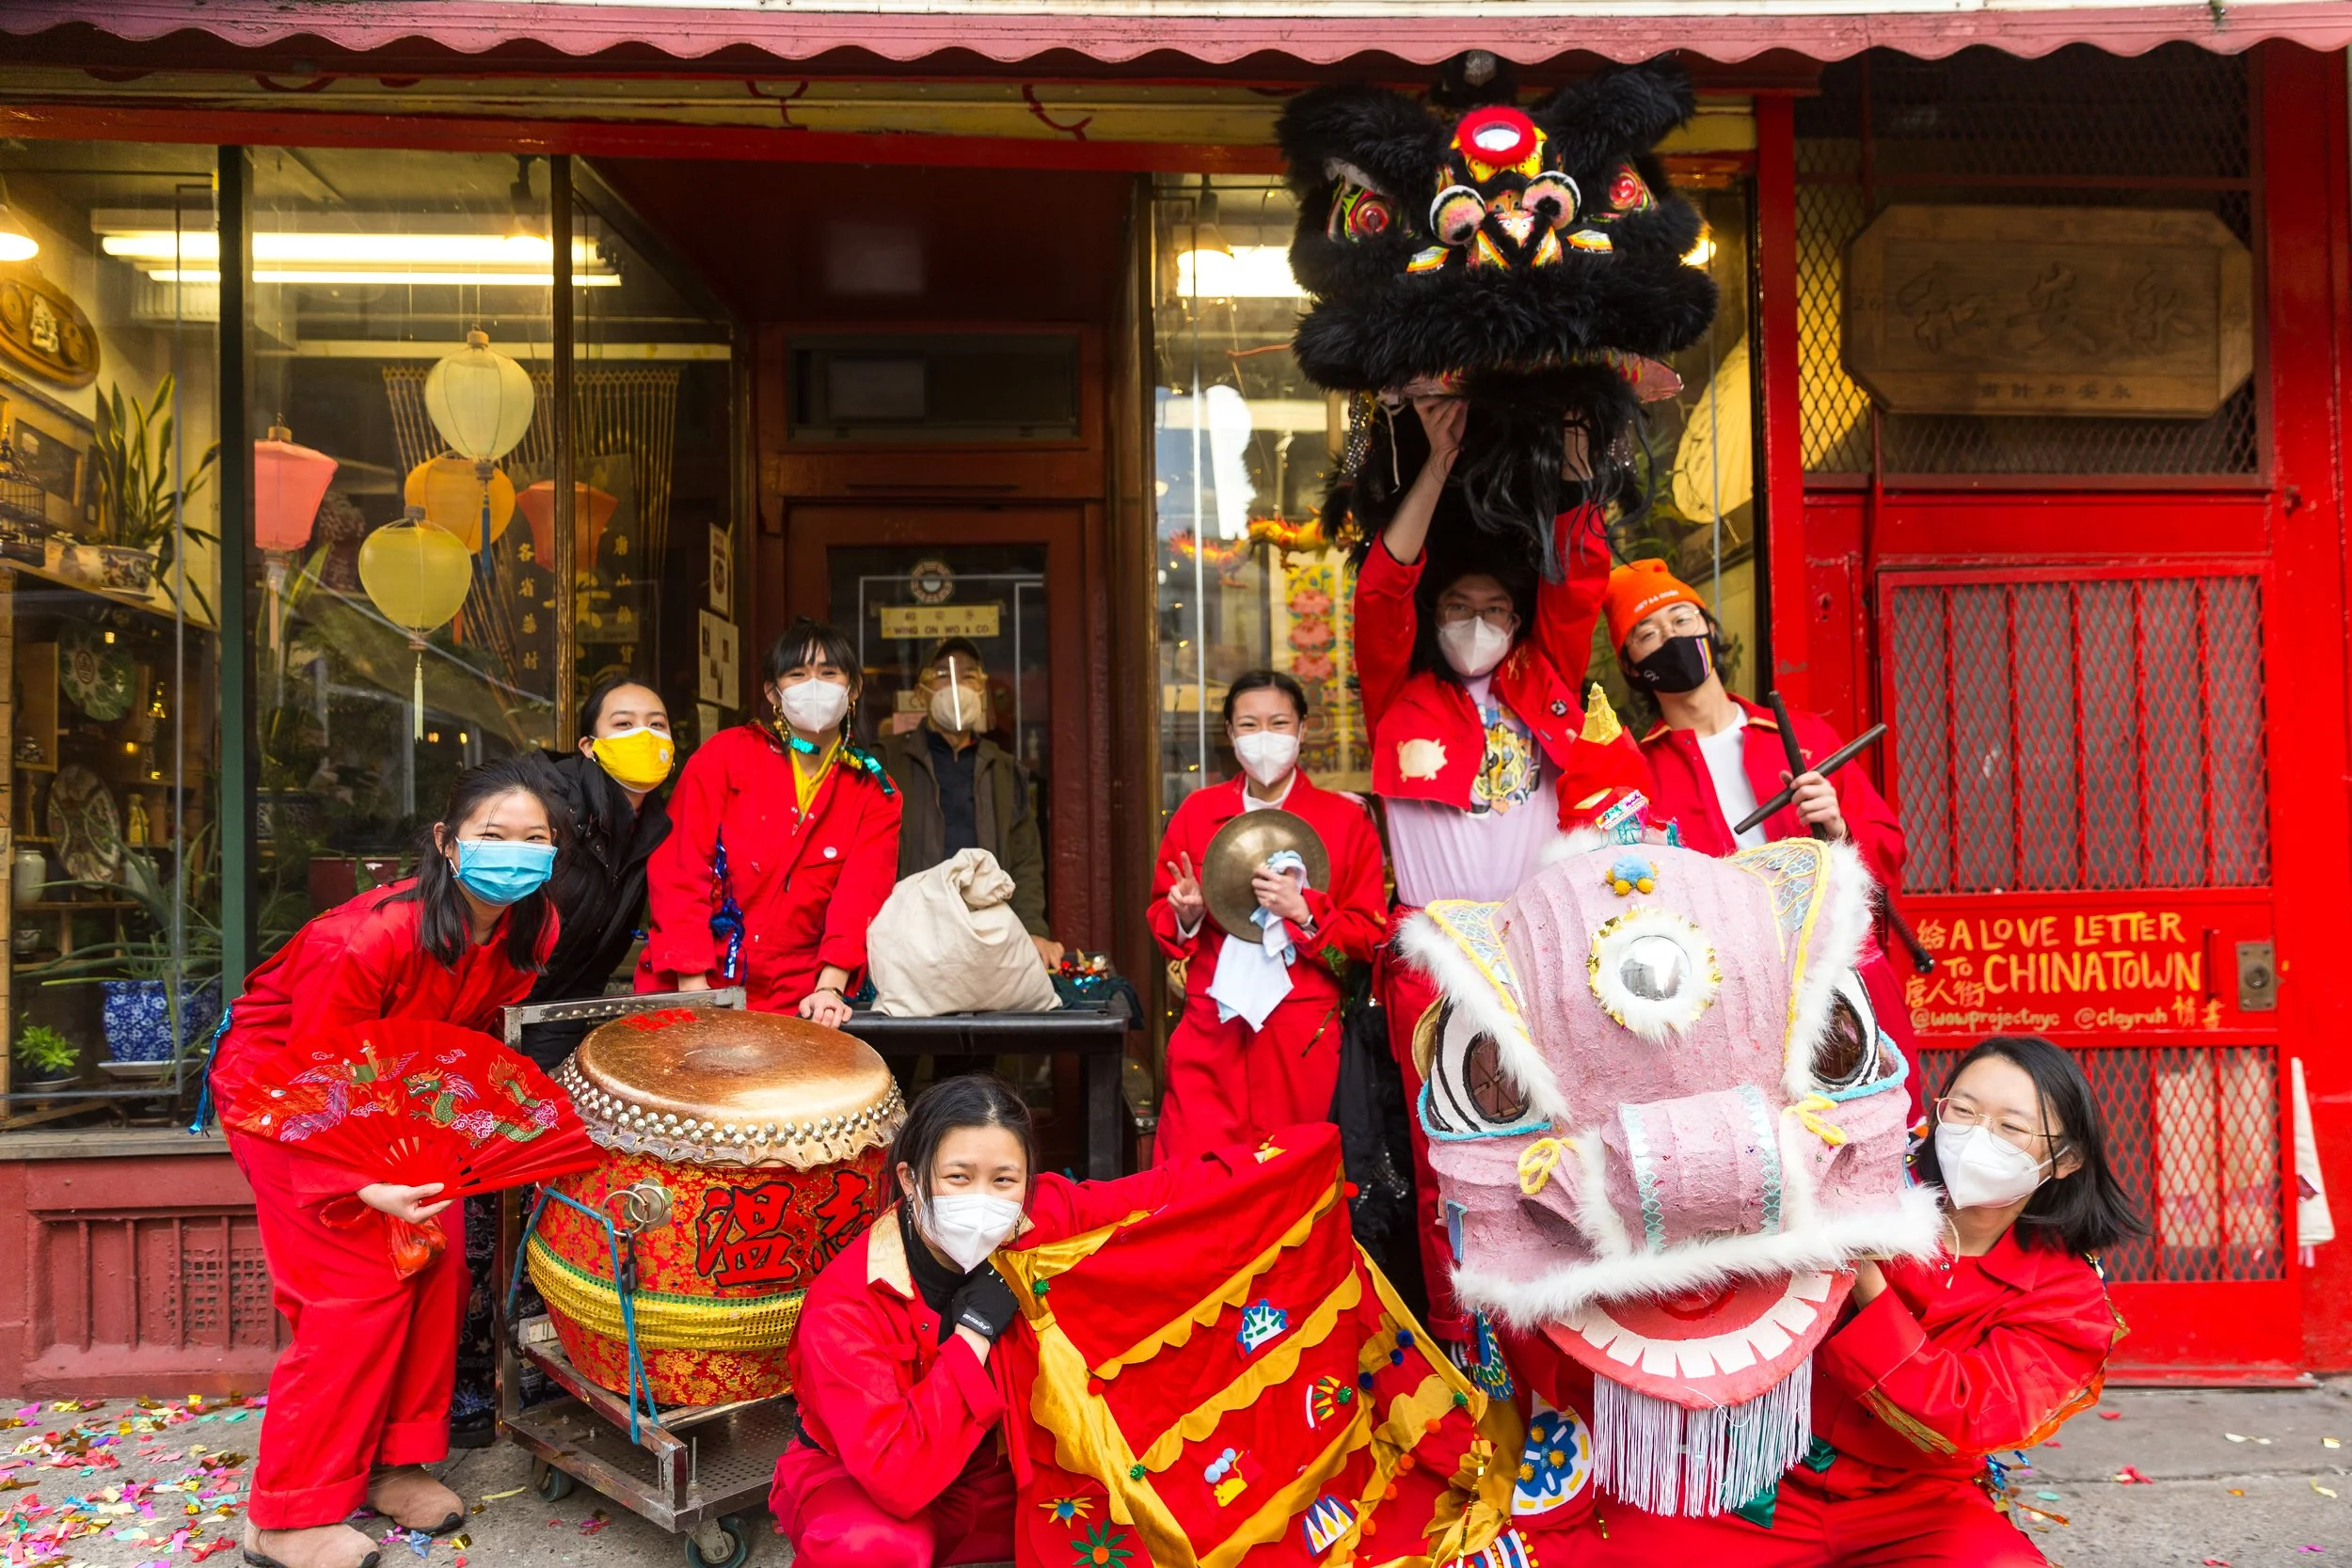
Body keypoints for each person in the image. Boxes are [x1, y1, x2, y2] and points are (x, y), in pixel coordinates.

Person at [1578, 1036, 2145, 1567]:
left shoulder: (2068, 1295)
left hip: (1923, 1505)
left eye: (2011, 1127)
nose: (1977, 1137)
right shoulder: (1858, 1191)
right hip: (1759, 1479)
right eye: (1964, 1111)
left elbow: (1970, 1414)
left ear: (2066, 1160)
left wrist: (1866, 1281)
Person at [207, 758, 561, 1568]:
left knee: (434, 1274)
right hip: (290, 1103)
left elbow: (460, 1040)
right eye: (493, 836)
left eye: (534, 838)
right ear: (446, 842)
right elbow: (313, 1080)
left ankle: (393, 1461)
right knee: (352, 1293)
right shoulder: (364, 939)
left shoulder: (532, 925)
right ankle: (286, 1514)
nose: (515, 853)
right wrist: (363, 1182)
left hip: (395, 1100)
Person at [1352, 396, 1630, 1338]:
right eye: (1461, 609)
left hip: (1539, 953)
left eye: (1496, 610)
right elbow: (1379, 592)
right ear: (1437, 619)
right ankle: (1468, 1368)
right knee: (1446, 1164)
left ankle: (1561, 1350)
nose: (1479, 623)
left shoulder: (1543, 679)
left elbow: (1577, 582)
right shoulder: (1399, 694)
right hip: (1433, 963)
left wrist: (1576, 474)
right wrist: (1433, 463)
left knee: (1556, 1146)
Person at [773, 1074, 1190, 1568]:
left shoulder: (1037, 1217)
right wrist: (975, 1330)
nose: (982, 1198)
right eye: (958, 1177)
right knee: (872, 1552)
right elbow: (895, 1475)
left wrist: (1289, 1162)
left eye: (1004, 1180)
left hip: (1001, 1475)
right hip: (862, 1485)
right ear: (910, 1179)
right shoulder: (846, 1304)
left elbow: (1163, 1197)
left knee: (1167, 1504)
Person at [1604, 558, 1917, 1103]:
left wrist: (1839, 829)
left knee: (1875, 1136)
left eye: (1681, 620)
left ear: (1708, 629)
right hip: (1725, 1003)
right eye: (1647, 634)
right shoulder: (1637, 774)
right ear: (1632, 666)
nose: (1670, 638)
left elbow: (1887, 851)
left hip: (1838, 972)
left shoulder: (1803, 737)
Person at [1147, 671, 1385, 1163]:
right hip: (1212, 1025)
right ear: (1231, 735)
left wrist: (1304, 911)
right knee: (1196, 1176)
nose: (1264, 737)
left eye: (1278, 723)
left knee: (1295, 1177)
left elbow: (1368, 936)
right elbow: (1162, 913)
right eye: (1249, 725)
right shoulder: (1198, 812)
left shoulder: (1344, 820)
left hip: (1303, 1029)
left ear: (1302, 731)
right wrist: (1187, 915)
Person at [641, 618, 900, 1026]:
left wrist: (830, 987)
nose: (814, 685)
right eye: (797, 674)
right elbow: (680, 870)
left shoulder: (874, 790)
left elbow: (860, 896)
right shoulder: (724, 757)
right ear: (773, 693)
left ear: (853, 690)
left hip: (803, 999)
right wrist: (694, 989)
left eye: (829, 673)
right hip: (697, 982)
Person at [516, 675, 677, 1068]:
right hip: (490, 1004)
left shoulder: (654, 828)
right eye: (623, 724)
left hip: (558, 1010)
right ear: (589, 746)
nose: (644, 735)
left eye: (657, 725)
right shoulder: (549, 803)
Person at [882, 637, 1059, 968]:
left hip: (990, 937)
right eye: (942, 675)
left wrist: (1033, 930)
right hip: (910, 940)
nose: (956, 686)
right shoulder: (887, 761)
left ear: (982, 690)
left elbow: (1026, 862)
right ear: (920, 692)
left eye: (968, 676)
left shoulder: (1005, 769)